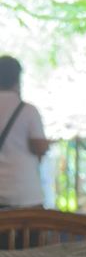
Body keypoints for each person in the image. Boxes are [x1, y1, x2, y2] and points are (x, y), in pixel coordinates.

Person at [0, 56, 49, 208]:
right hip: (24, 194)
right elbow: (40, 147)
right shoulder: (28, 110)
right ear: (17, 79)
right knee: (30, 224)